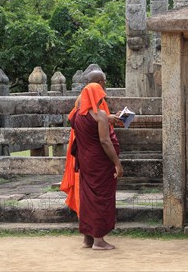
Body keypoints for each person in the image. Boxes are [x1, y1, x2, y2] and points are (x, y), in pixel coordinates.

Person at [60, 71, 124, 250]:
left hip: (85, 161)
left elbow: (78, 128)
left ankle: (88, 239)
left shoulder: (77, 115)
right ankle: (99, 240)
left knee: (87, 198)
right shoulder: (100, 116)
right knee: (102, 198)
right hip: (100, 162)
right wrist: (117, 163)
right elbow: (104, 141)